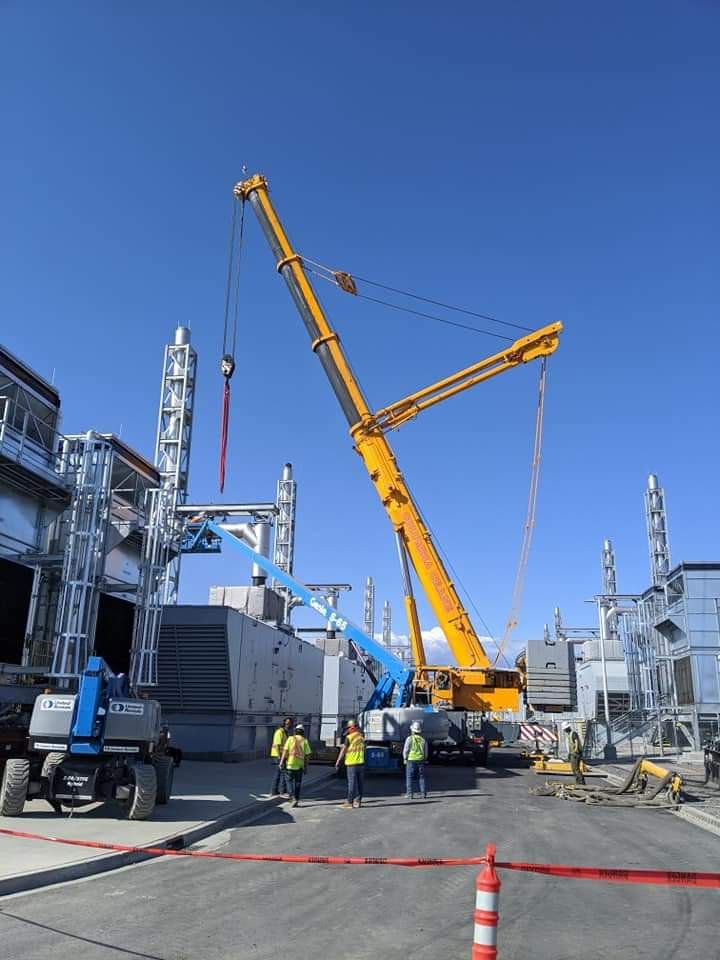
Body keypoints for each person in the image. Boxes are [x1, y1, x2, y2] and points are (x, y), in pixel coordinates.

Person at [335, 720, 366, 809]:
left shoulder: (349, 737)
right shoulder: (361, 737)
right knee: (360, 783)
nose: (347, 729)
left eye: (348, 728)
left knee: (351, 784)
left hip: (352, 763)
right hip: (361, 763)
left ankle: (349, 802)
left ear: (352, 727)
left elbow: (343, 750)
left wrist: (338, 761)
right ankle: (358, 801)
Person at [281, 722, 311, 807]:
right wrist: (306, 766)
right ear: (303, 732)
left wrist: (281, 762)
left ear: (295, 731)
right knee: (298, 783)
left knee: (289, 781)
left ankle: (292, 797)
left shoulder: (290, 739)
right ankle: (296, 799)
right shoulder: (305, 741)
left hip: (290, 764)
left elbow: (285, 751)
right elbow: (308, 754)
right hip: (300, 765)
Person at [403, 720, 428, 800]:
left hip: (411, 760)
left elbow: (406, 750)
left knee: (409, 777)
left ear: (412, 730)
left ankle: (410, 794)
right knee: (421, 777)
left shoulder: (409, 739)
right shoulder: (423, 740)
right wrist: (424, 758)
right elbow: (426, 752)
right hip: (421, 760)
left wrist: (405, 757)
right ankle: (423, 794)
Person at [269, 716, 293, 797]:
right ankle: (276, 790)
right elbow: (277, 745)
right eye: (287, 723)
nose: (288, 725)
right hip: (277, 756)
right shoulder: (279, 732)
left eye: (290, 724)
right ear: (284, 724)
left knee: (281, 773)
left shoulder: (286, 733)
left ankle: (280, 790)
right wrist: (280, 757)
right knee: (282, 773)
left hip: (283, 756)